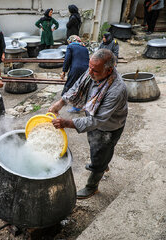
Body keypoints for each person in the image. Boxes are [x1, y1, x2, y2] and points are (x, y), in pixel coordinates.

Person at [48, 49, 128, 199]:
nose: (90, 72)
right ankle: (102, 163)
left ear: (109, 70)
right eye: (89, 67)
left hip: (109, 127)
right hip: (93, 119)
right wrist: (60, 103)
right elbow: (77, 86)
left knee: (101, 150)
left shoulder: (116, 89)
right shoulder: (94, 71)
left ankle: (92, 186)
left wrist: (67, 123)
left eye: (94, 70)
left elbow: (96, 121)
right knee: (96, 147)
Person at [61, 35, 89, 113]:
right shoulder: (84, 48)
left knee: (70, 85)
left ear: (71, 41)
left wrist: (64, 71)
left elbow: (67, 59)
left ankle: (62, 102)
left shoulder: (71, 46)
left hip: (76, 69)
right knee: (81, 86)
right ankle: (78, 106)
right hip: (86, 69)